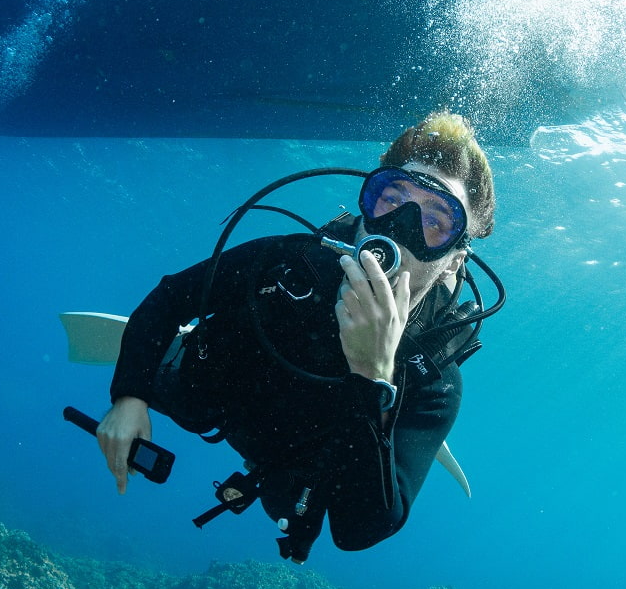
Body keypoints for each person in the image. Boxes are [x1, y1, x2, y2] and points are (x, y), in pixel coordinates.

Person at [95, 110, 497, 563]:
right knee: (189, 388)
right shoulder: (288, 262)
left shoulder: (433, 378)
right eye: (392, 199)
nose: (398, 228)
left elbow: (360, 531)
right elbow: (172, 296)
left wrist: (374, 375)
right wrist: (129, 397)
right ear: (365, 208)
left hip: (290, 461)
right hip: (219, 395)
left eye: (434, 222)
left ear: (452, 261)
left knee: (291, 508)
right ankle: (182, 349)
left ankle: (387, 424)